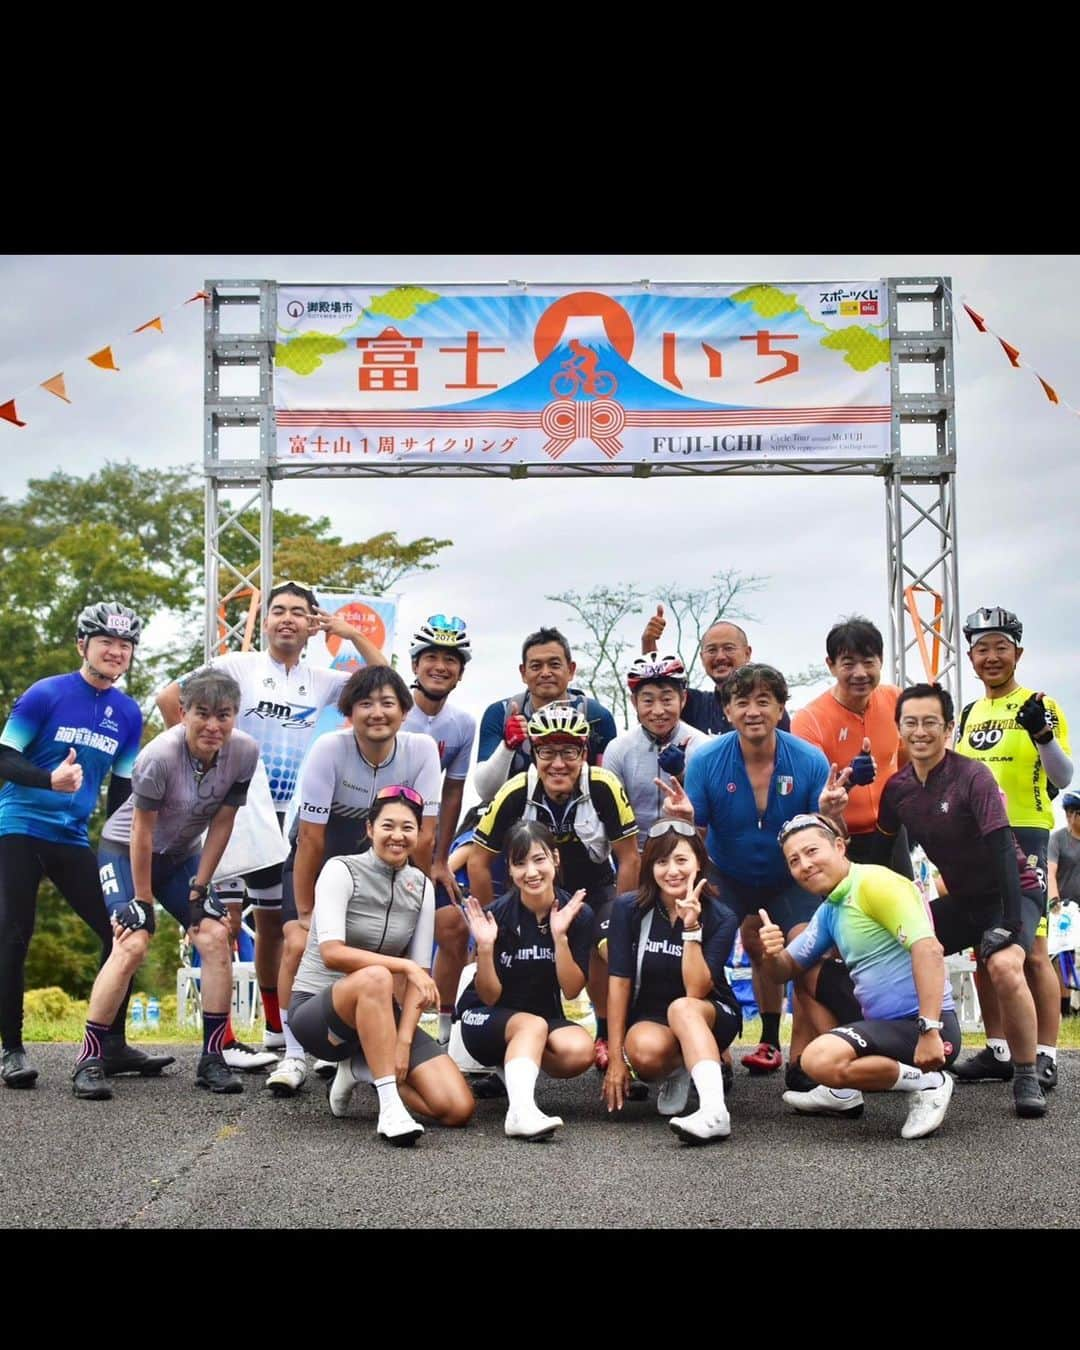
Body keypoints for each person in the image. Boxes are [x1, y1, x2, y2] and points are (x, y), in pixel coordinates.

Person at [155, 580, 385, 1072]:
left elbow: (384, 684)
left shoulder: (321, 679)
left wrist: (349, 633)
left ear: (311, 624)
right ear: (264, 622)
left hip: (287, 820)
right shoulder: (239, 667)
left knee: (274, 926)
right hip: (233, 811)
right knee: (224, 922)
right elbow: (169, 695)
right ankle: (224, 1039)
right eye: (277, 610)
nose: (286, 619)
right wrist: (197, 760)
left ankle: (277, 1030)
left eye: (298, 613)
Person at [72, 668, 260, 1099]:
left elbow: (223, 823)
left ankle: (213, 1058)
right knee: (133, 941)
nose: (214, 725)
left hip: (181, 857)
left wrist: (202, 887)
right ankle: (89, 1058)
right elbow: (140, 831)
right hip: (126, 852)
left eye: (225, 715)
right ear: (183, 713)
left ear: (236, 716)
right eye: (203, 714)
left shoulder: (245, 752)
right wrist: (141, 899)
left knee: (214, 936)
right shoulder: (159, 755)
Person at [0, 602, 157, 1090]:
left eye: (125, 645)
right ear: (82, 645)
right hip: (19, 828)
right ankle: (11, 1050)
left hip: (72, 838)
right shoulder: (45, 694)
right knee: (12, 933)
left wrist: (124, 850)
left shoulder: (128, 713)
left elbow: (123, 792)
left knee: (122, 930)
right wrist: (50, 779)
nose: (116, 651)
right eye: (106, 642)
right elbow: (4, 756)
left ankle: (111, 1044)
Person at [665, 663, 849, 1079]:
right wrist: (686, 818)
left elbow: (827, 836)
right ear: (726, 711)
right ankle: (713, 1052)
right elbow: (693, 830)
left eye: (764, 701)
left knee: (806, 951)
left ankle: (804, 1056)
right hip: (726, 870)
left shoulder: (808, 759)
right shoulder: (707, 759)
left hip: (790, 876)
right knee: (703, 947)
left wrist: (829, 815)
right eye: (742, 702)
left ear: (782, 708)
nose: (753, 711)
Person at [268, 665, 442, 1097]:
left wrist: (412, 896)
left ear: (405, 711)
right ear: (349, 712)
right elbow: (311, 838)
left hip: (384, 860)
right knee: (296, 941)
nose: (377, 713)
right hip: (321, 857)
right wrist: (306, 911)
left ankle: (371, 1046)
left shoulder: (421, 749)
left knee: (394, 954)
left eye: (387, 703)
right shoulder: (331, 748)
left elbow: (426, 836)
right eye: (365, 703)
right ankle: (293, 1054)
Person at [876, 682, 1048, 1118]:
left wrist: (1011, 921)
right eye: (910, 722)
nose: (920, 731)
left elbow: (1001, 848)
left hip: (1015, 892)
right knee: (896, 951)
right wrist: (895, 912)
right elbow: (880, 853)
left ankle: (1025, 1074)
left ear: (948, 727)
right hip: (963, 901)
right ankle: (900, 1050)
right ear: (899, 728)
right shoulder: (896, 789)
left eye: (930, 722)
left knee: (1005, 966)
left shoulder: (973, 776)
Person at [289, 785, 474, 1145]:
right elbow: (332, 953)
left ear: (419, 835)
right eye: (388, 825)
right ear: (369, 829)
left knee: (457, 1108)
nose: (398, 836)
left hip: (381, 1016)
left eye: (408, 828)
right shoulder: (340, 870)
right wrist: (401, 967)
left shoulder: (420, 886)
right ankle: (389, 1107)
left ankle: (362, 1069)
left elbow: (421, 977)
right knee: (376, 977)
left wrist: (404, 1040)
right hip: (320, 1014)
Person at [760, 812, 960, 1140]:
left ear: (839, 846)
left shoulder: (876, 883)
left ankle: (929, 1082)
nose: (804, 865)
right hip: (879, 1022)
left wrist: (929, 1030)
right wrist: (771, 954)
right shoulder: (831, 909)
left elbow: (930, 950)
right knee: (808, 972)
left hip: (924, 1026)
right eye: (794, 860)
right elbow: (786, 970)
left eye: (811, 852)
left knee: (817, 1060)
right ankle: (842, 1091)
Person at [468, 703, 639, 1070]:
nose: (558, 763)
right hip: (532, 892)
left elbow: (629, 859)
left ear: (584, 753)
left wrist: (626, 918)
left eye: (568, 752)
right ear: (533, 753)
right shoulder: (516, 790)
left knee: (611, 948)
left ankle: (610, 1034)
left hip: (594, 887)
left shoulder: (604, 785)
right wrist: (490, 920)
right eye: (547, 752)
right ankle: (503, 1035)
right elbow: (478, 862)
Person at [952, 606, 1073, 1090]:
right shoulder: (968, 713)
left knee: (1033, 951)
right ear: (970, 657)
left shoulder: (1041, 702)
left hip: (1025, 835)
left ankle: (1044, 1053)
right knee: (984, 948)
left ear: (1018, 652)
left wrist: (1042, 734)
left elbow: (1063, 778)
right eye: (982, 649)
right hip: (976, 841)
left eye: (1001, 647)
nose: (992, 657)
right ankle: (1000, 1050)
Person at [603, 820, 741, 1144]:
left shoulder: (721, 916)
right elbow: (619, 983)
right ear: (649, 866)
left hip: (710, 1012)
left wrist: (691, 928)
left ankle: (714, 1111)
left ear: (698, 862)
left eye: (681, 860)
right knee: (643, 1052)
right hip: (653, 1017)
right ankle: (680, 1071)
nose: (672, 871)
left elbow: (696, 991)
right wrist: (614, 1060)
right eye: (661, 861)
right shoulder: (628, 908)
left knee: (683, 1008)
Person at [459, 821, 595, 1140]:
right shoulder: (497, 916)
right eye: (520, 863)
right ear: (508, 868)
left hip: (543, 1018)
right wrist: (485, 947)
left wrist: (560, 937)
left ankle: (516, 1066)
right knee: (530, 1025)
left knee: (579, 1050)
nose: (531, 872)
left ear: (556, 860)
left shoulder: (578, 914)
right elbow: (489, 997)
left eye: (539, 859)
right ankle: (520, 1112)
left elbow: (573, 990)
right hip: (485, 1018)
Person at [400, 616, 478, 1045]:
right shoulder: (393, 709)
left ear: (461, 671)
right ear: (415, 664)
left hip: (427, 845)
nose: (440, 667)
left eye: (450, 660)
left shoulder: (463, 725)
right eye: (431, 657)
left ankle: (446, 1031)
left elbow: (453, 795)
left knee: (453, 928)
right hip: (380, 838)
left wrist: (440, 860)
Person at [790, 616, 912, 874]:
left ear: (881, 661)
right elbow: (811, 795)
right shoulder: (809, 719)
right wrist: (849, 780)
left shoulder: (896, 699)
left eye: (869, 663)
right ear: (831, 666)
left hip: (892, 831)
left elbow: (907, 760)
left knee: (905, 911)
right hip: (839, 839)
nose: (860, 673)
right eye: (848, 664)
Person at [472, 627, 617, 802]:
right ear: (523, 673)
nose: (546, 673)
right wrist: (507, 747)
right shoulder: (501, 714)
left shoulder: (596, 716)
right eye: (536, 666)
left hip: (581, 817)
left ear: (571, 670)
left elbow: (611, 789)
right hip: (515, 820)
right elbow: (487, 793)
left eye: (554, 665)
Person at [601, 653, 709, 844]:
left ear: (683, 699)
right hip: (639, 852)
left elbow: (713, 812)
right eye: (648, 701)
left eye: (667, 700)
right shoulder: (618, 749)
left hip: (690, 853)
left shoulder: (705, 746)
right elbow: (610, 816)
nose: (658, 711)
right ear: (634, 702)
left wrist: (683, 774)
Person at [639, 606, 790, 736]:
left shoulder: (766, 709)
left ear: (747, 653)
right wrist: (649, 642)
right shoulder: (695, 705)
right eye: (711, 650)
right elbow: (657, 685)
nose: (720, 657)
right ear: (701, 657)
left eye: (728, 648)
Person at [1048, 790, 1080, 1015]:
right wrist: (1054, 900)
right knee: (1063, 957)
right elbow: (1050, 871)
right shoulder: (1058, 839)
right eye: (1071, 813)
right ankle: (1066, 1008)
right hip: (1065, 908)